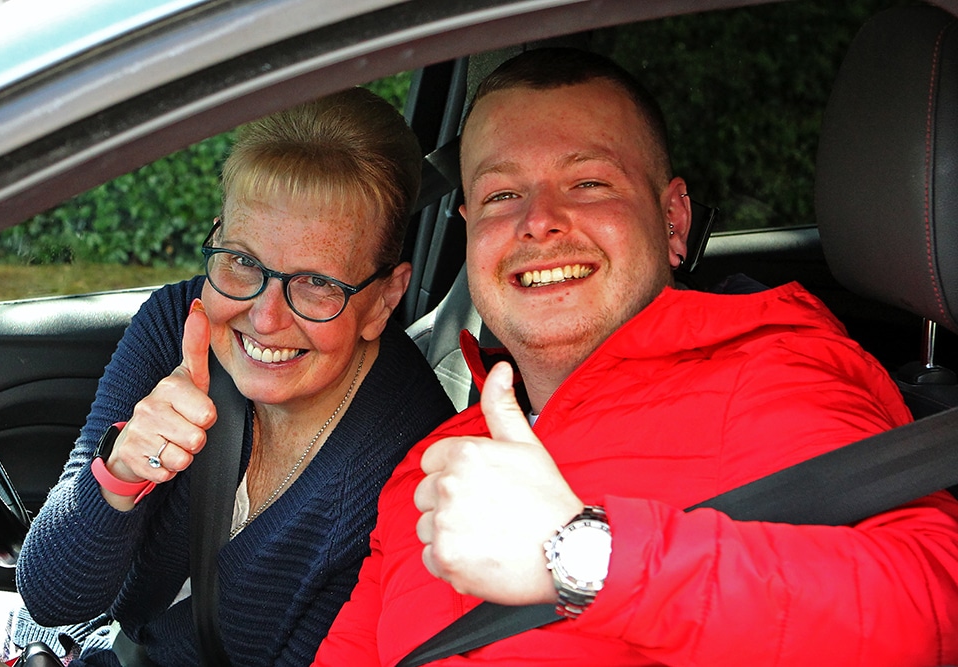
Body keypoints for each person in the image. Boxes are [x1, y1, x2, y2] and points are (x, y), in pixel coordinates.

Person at [311, 48, 958, 666]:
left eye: (589, 182)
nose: (539, 221)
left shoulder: (768, 375)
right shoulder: (433, 463)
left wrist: (582, 555)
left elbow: (935, 613)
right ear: (469, 228)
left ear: (673, 221)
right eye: (502, 196)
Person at [0, 87, 456, 667]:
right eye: (244, 262)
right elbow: (50, 595)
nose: (264, 318)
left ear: (382, 299)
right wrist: (120, 472)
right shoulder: (180, 323)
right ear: (217, 238)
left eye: (317, 282)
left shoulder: (408, 464)